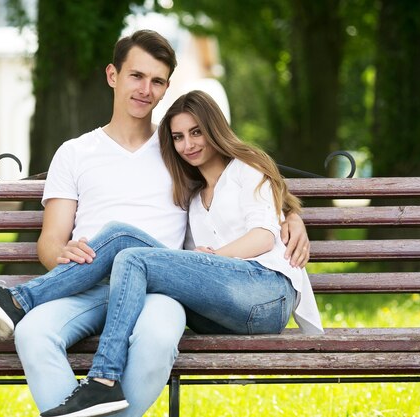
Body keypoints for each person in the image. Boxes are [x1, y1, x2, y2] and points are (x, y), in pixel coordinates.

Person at [0, 31, 311, 417]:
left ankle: (20, 301)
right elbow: (50, 242)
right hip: (88, 284)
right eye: (136, 76)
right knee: (34, 333)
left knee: (153, 332)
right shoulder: (74, 153)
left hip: (161, 289)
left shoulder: (176, 151)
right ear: (112, 75)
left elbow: (232, 182)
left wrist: (290, 215)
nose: (145, 89)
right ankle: (29, 315)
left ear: (166, 87)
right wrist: (60, 252)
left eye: (156, 81)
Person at [38, 90, 324, 417]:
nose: (188, 145)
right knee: (121, 237)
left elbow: (262, 235)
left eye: (196, 132)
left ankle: (102, 377)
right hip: (221, 313)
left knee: (130, 256)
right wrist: (198, 263)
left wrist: (215, 257)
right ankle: (30, 307)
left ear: (214, 129)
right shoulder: (192, 197)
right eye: (178, 137)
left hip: (266, 295)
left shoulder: (246, 168)